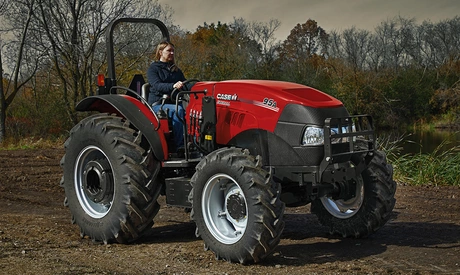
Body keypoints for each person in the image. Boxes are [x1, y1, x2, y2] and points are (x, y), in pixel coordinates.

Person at [147, 41, 187, 150]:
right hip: (158, 104)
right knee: (178, 110)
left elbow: (185, 83)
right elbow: (157, 85)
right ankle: (181, 145)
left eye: (173, 51)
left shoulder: (176, 70)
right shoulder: (153, 69)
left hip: (174, 102)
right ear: (161, 52)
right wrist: (173, 86)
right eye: (169, 50)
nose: (172, 53)